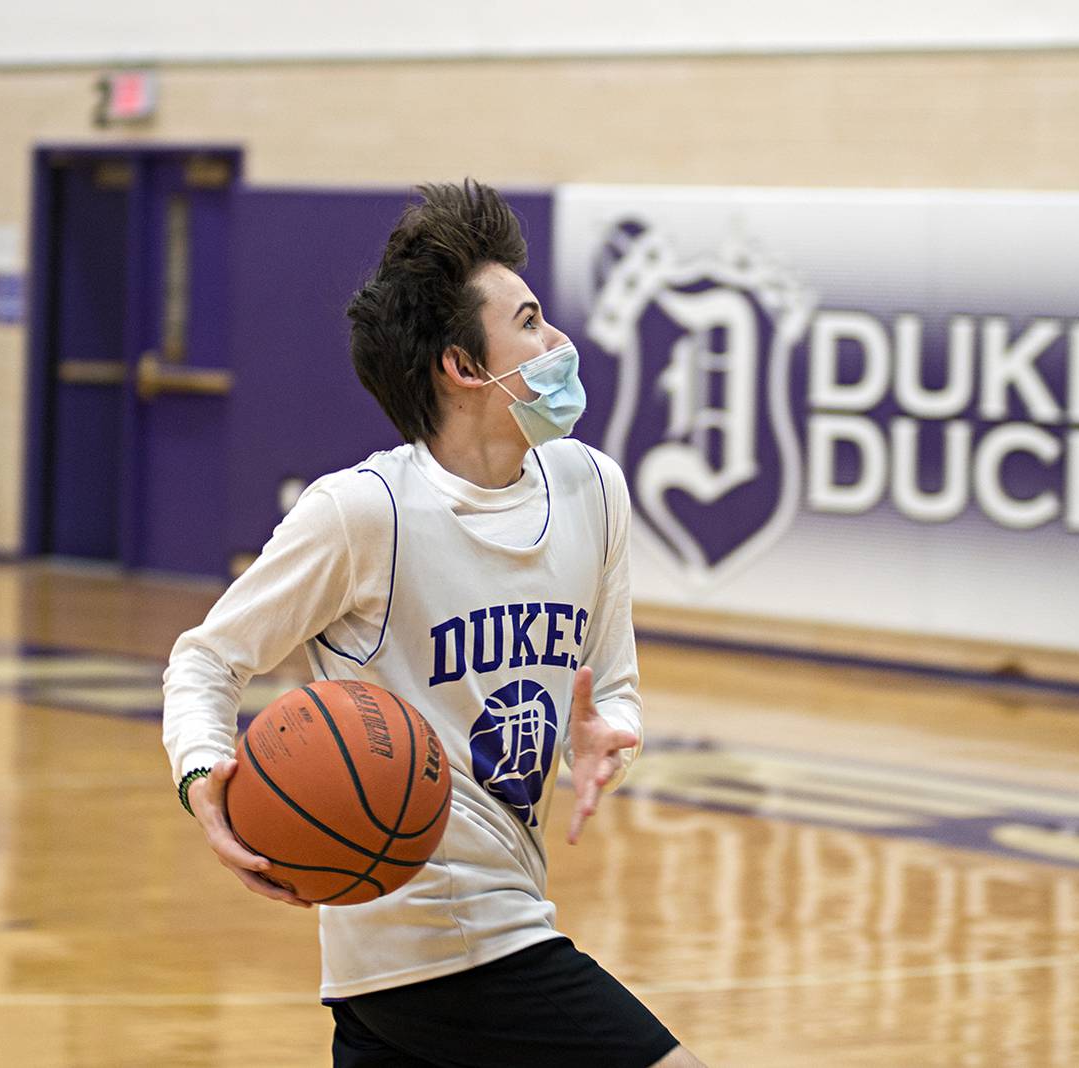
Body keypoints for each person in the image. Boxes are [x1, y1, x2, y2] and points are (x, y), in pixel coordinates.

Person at [163, 179, 707, 1067]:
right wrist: (203, 777)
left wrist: (611, 735)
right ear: (463, 366)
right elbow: (205, 660)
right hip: (449, 933)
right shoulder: (363, 512)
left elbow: (609, 684)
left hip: (414, 958)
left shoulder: (593, 489)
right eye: (529, 322)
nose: (559, 342)